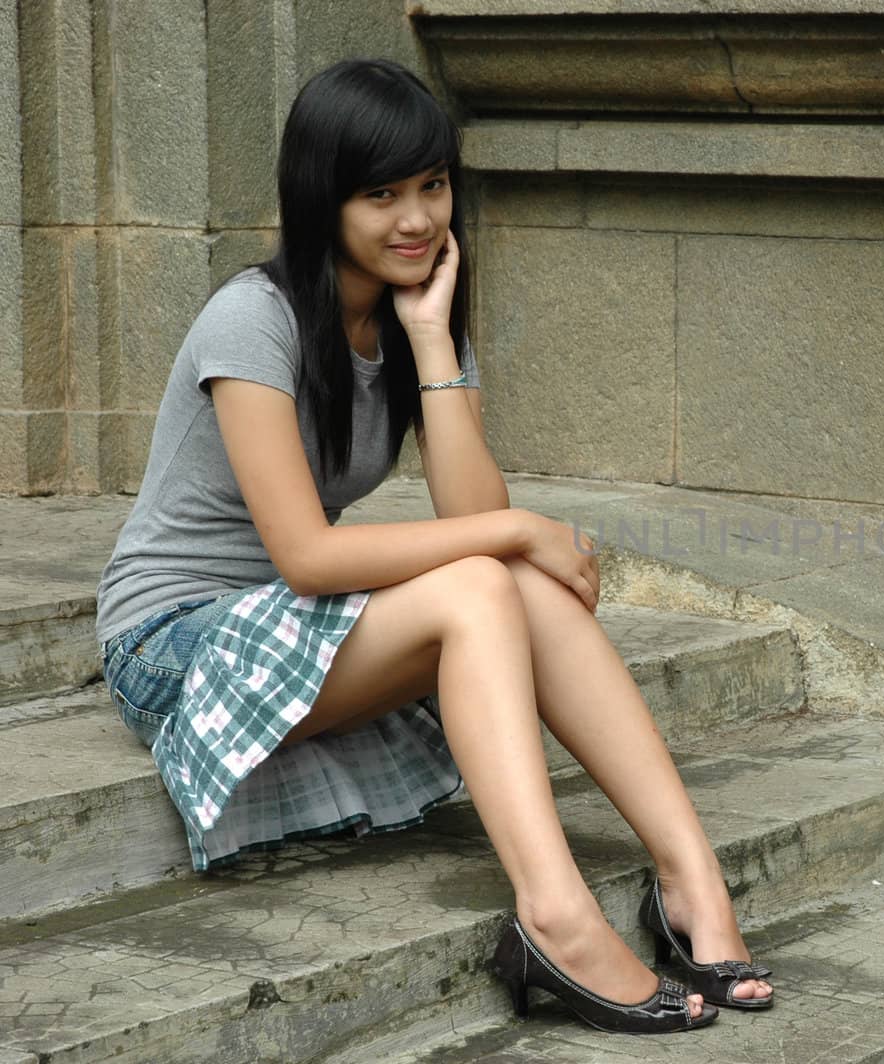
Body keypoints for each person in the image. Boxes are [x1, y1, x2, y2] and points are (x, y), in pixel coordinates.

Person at [94, 57, 772, 1035]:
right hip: (174, 642)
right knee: (484, 576)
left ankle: (692, 882)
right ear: (321, 198)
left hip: (292, 632)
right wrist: (517, 527)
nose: (415, 218)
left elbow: (468, 505)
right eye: (380, 194)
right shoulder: (253, 317)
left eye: (432, 186)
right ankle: (554, 913)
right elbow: (308, 557)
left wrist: (432, 344)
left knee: (508, 584)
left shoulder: (412, 313)